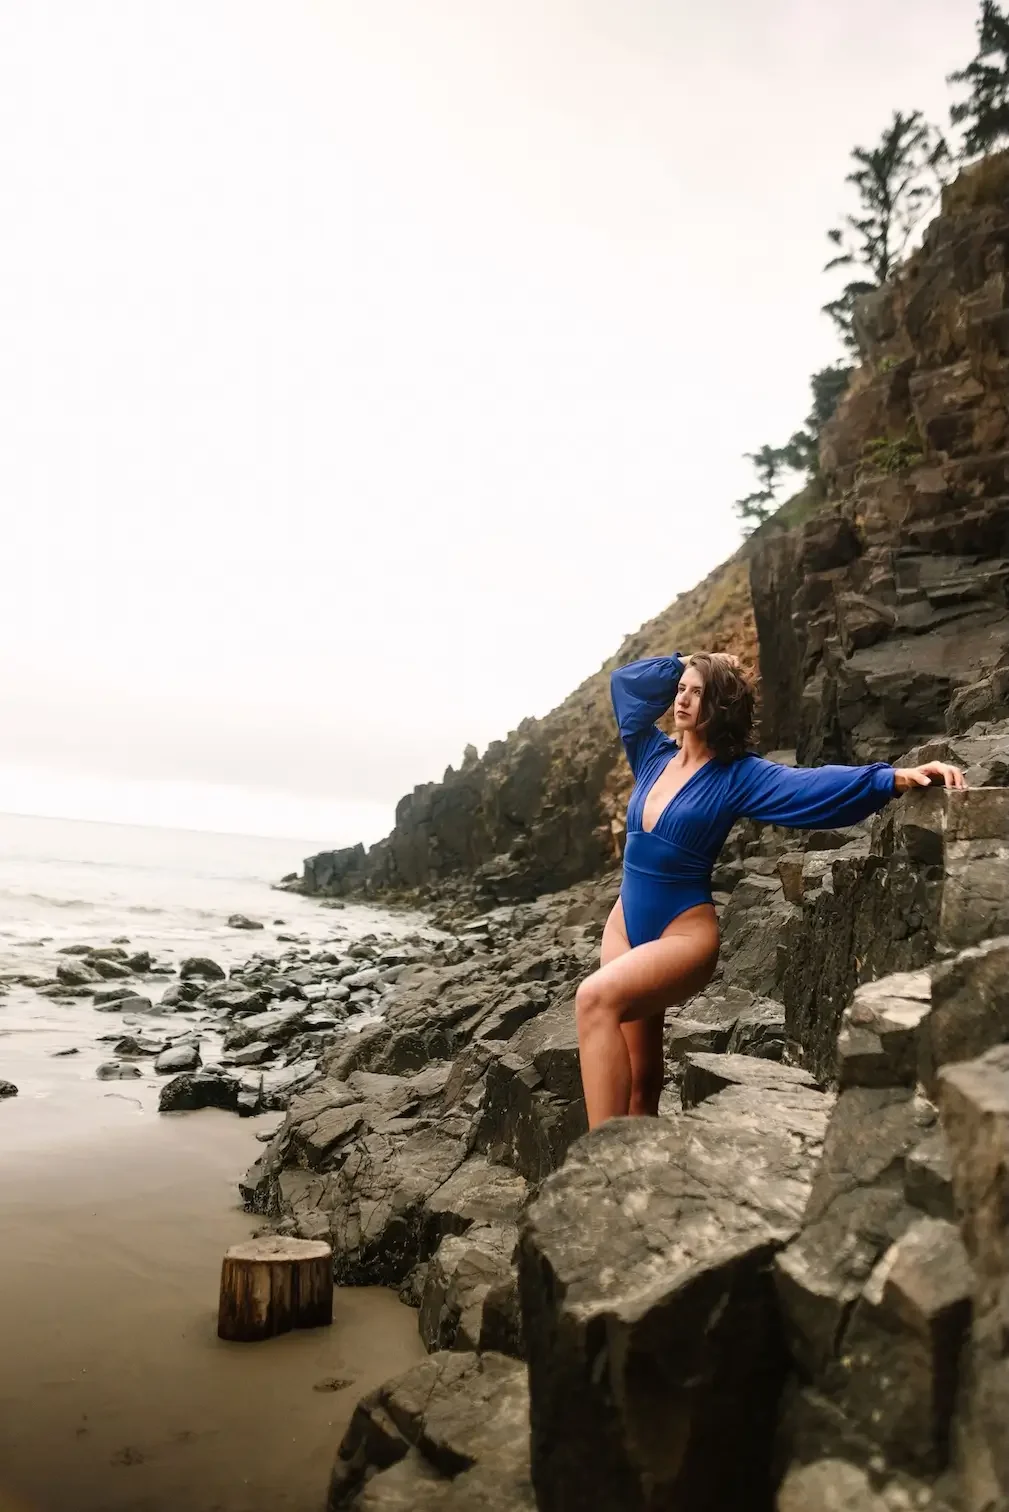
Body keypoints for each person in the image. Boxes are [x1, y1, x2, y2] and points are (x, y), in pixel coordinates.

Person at [575, 650, 967, 1130]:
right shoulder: (650, 753)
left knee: (594, 999)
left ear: (719, 706)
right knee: (641, 1080)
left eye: (698, 693)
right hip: (624, 926)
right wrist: (686, 663)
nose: (683, 699)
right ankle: (626, 1179)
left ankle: (592, 1163)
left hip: (681, 934)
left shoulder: (736, 776)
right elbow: (626, 685)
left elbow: (808, 788)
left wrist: (890, 778)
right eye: (681, 689)